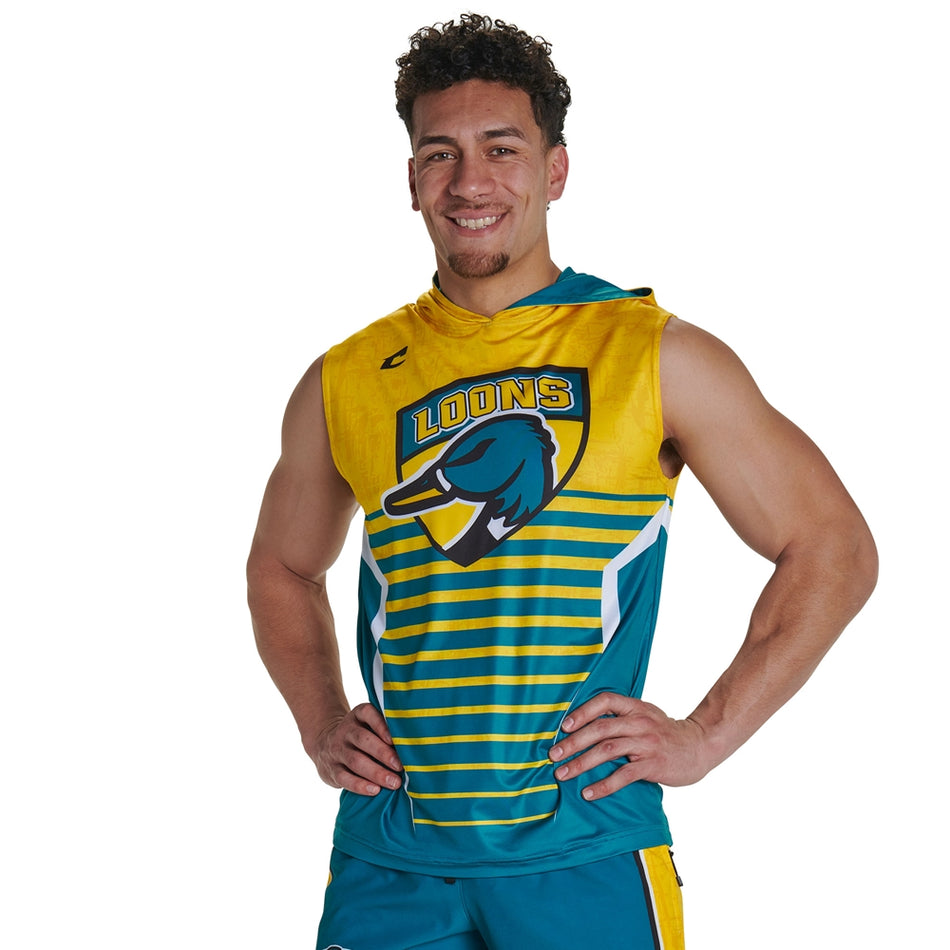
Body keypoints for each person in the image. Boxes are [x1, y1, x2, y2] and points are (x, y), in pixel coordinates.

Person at [246, 13, 877, 950]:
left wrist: (704, 735)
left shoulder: (656, 355)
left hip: (586, 853)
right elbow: (281, 568)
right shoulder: (344, 378)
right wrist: (321, 721)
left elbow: (833, 548)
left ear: (556, 169)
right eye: (440, 153)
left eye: (502, 149)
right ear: (411, 179)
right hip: (389, 857)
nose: (470, 182)